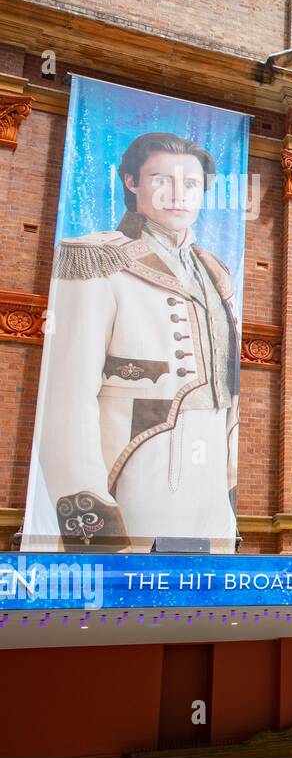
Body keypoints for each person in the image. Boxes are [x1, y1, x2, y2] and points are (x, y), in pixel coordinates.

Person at [31, 132, 240, 550]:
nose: (178, 194)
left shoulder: (215, 271)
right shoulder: (95, 257)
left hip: (213, 470)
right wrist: (92, 517)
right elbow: (68, 397)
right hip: (140, 461)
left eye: (192, 184)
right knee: (135, 598)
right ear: (131, 182)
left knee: (208, 601)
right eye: (161, 179)